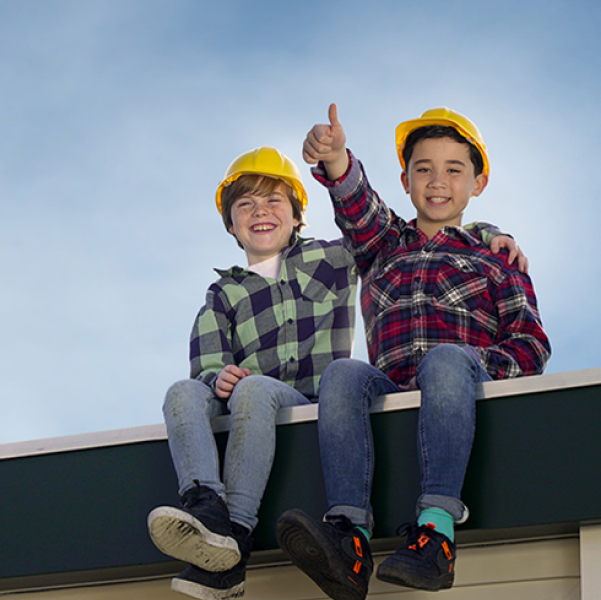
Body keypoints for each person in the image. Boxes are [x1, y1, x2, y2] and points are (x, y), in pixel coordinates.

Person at [148, 146, 528, 600]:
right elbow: (207, 363)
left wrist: (485, 232)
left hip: (305, 403)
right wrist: (216, 378)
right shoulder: (221, 294)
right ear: (230, 223)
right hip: (245, 401)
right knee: (181, 391)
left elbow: (392, 232)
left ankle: (236, 533)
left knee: (259, 391)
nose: (260, 212)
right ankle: (206, 508)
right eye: (244, 205)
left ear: (296, 216)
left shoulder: (333, 260)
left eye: (274, 201)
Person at [275, 105, 551, 600]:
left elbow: (532, 344)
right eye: (423, 169)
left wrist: (474, 365)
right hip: (394, 389)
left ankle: (436, 536)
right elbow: (358, 206)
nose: (437, 181)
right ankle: (348, 538)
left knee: (445, 358)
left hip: (459, 382)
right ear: (405, 180)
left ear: (477, 183)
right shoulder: (384, 246)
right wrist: (337, 159)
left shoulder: (496, 259)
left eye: (453, 170)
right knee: (342, 373)